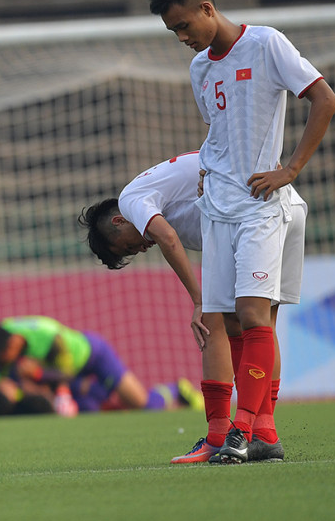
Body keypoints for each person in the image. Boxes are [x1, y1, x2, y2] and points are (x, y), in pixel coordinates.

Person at [149, 0, 335, 463]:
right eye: (173, 32)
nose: (182, 38)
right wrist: (207, 174)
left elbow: (325, 100)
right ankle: (265, 436)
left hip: (259, 208)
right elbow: (221, 133)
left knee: (255, 316)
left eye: (184, 26)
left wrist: (290, 168)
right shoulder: (200, 69)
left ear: (207, 8)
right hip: (216, 208)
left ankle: (242, 430)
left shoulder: (265, 43)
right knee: (231, 324)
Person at [79, 151, 305, 463]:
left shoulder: (131, 198)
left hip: (259, 214)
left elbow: (168, 239)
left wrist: (198, 300)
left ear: (119, 220)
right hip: (284, 207)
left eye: (130, 245)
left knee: (219, 322)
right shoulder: (166, 194)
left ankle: (222, 434)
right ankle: (263, 432)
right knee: (262, 326)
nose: (141, 248)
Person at [0, 316, 202, 414]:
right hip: (73, 372)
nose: (3, 363)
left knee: (144, 405)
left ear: (13, 344)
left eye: (2, 357)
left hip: (94, 355)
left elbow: (65, 375)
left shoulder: (48, 338)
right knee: (91, 408)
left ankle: (177, 389)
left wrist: (37, 373)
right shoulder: (6, 331)